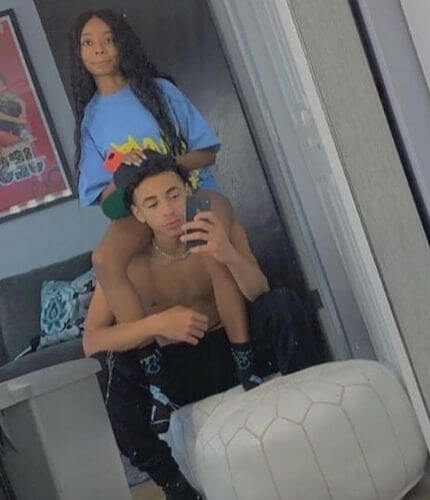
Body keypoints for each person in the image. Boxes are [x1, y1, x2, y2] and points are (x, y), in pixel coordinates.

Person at [83, 151, 322, 500]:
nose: (168, 211)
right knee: (110, 368)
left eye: (173, 195)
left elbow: (259, 291)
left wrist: (228, 254)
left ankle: (313, 415)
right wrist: (156, 323)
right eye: (153, 204)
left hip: (238, 349)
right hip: (180, 371)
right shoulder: (128, 263)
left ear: (188, 190)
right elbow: (92, 341)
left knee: (283, 304)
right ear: (139, 213)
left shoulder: (215, 227)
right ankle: (174, 485)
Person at [70, 10, 240, 428]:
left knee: (206, 243)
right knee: (104, 259)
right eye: (88, 43)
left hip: (191, 191)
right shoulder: (91, 117)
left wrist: (162, 165)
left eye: (107, 39)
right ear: (79, 53)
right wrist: (124, 174)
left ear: (123, 43)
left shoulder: (159, 91)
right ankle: (156, 376)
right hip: (142, 207)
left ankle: (244, 354)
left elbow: (207, 152)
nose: (98, 50)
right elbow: (100, 194)